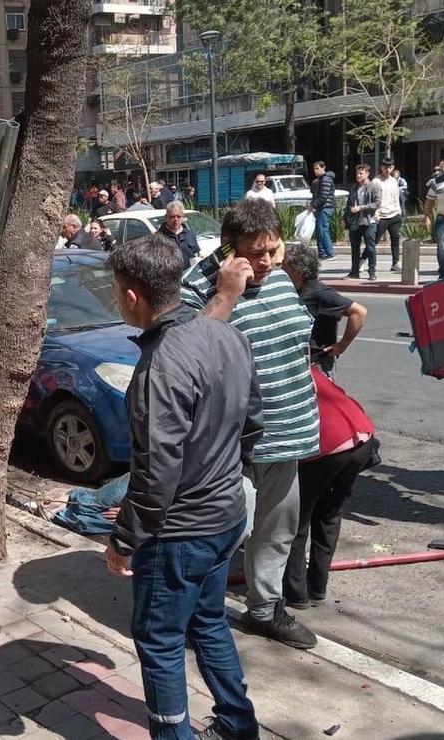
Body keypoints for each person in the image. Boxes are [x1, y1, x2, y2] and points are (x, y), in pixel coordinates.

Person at [105, 232, 263, 740]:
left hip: (181, 533)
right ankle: (239, 725)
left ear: (132, 297)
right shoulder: (227, 337)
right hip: (226, 514)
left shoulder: (161, 364)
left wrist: (124, 539)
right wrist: (221, 478)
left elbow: (155, 474)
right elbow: (252, 424)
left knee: (159, 641)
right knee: (208, 621)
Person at [182, 198, 320, 650]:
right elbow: (185, 357)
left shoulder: (280, 279)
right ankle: (194, 614)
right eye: (255, 253)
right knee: (219, 535)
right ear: (228, 248)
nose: (265, 263)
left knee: (276, 532)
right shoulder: (195, 288)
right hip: (229, 447)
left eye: (272, 251)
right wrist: (225, 295)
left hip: (287, 434)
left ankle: (264, 609)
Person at [283, 369, 377, 609]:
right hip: (360, 438)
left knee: (296, 519)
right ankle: (317, 587)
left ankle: (296, 593)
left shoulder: (276, 375)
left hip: (328, 445)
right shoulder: (313, 371)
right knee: (329, 513)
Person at [282, 242, 368, 375]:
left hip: (317, 364)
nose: (280, 270)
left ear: (297, 270)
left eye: (284, 267)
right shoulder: (292, 290)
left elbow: (359, 312)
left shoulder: (319, 292)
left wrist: (342, 345)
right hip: (298, 360)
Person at [344, 163, 381, 281]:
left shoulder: (373, 186)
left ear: (367, 174)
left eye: (361, 173)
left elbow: (377, 204)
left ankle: (372, 272)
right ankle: (354, 272)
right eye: (357, 173)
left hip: (368, 221)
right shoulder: (354, 188)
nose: (358, 175)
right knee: (355, 248)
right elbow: (349, 205)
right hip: (354, 222)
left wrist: (361, 208)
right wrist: (344, 218)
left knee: (370, 248)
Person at [374, 159, 404, 273]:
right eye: (385, 167)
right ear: (381, 167)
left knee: (395, 239)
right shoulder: (376, 181)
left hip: (394, 214)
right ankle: (362, 261)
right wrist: (376, 214)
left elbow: (396, 198)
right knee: (374, 240)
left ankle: (396, 263)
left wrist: (399, 212)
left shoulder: (394, 181)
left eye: (390, 167)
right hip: (382, 216)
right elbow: (373, 199)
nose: (387, 170)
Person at [308, 161, 337, 260]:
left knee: (323, 230)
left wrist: (313, 205)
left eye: (317, 168)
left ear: (323, 168)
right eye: (314, 169)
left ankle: (330, 253)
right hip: (321, 207)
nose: (315, 171)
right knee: (319, 230)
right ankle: (322, 252)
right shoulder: (319, 180)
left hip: (325, 207)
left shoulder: (325, 179)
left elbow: (323, 196)